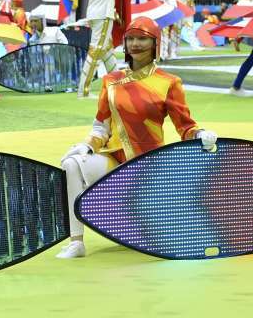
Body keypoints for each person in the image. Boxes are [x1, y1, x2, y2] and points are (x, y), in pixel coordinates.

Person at [57, 17, 218, 259]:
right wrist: (87, 145)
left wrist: (200, 134)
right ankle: (76, 242)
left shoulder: (169, 82)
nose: (135, 44)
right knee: (71, 164)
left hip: (150, 164)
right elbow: (101, 127)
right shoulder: (111, 81)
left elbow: (185, 126)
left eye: (142, 38)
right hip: (116, 160)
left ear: (155, 43)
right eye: (130, 38)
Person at [79, 0, 151, 98]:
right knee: (96, 49)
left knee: (107, 52)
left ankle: (120, 86)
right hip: (102, 14)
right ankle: (83, 90)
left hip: (102, 12)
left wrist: (115, 13)